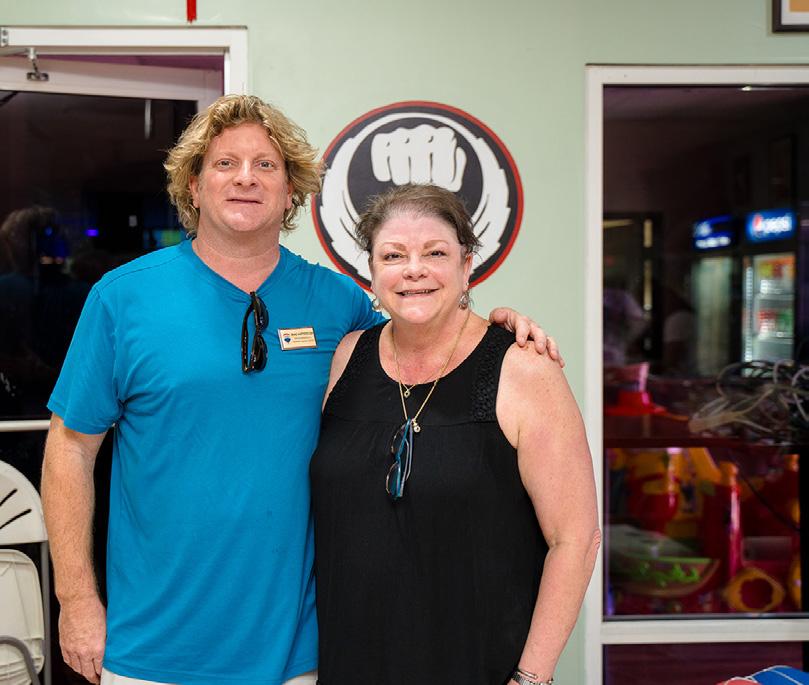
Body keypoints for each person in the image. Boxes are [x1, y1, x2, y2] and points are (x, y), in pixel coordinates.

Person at [40, 95, 559, 685]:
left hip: (301, 654)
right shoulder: (122, 299)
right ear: (193, 186)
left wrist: (496, 327)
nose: (246, 178)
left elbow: (422, 340)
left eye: (266, 165)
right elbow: (70, 450)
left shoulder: (339, 304)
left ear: (291, 192)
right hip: (153, 649)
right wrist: (76, 600)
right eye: (225, 163)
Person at [310, 184, 600, 685]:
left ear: (467, 266)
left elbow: (574, 539)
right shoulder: (348, 356)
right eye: (393, 255)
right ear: (371, 272)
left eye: (435, 253)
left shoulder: (523, 369)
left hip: (477, 664)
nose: (414, 269)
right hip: (350, 663)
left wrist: (531, 678)